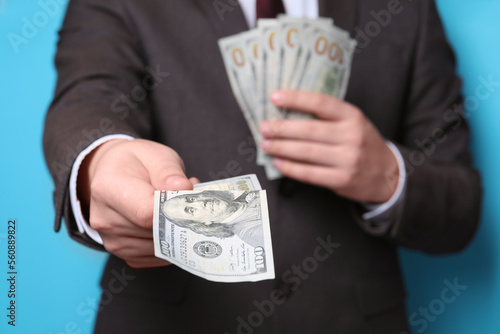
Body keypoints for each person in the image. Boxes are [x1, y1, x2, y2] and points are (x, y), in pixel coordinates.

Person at [43, 0, 481, 333]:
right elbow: (88, 98)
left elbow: (462, 205)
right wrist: (100, 161)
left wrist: (386, 174)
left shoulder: (408, 9)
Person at [162, 190, 264, 247]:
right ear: (204, 223)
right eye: (191, 210)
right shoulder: (250, 233)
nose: (201, 203)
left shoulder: (246, 193)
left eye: (191, 199)